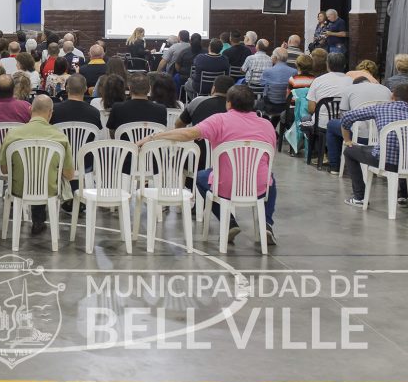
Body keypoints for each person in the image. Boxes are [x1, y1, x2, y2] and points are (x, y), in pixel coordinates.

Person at [142, 84, 277, 245]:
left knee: (200, 177)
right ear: (252, 104)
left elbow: (187, 133)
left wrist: (154, 137)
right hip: (258, 187)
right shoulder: (267, 124)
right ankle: (266, 224)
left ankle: (229, 223)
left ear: (228, 104)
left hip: (226, 185)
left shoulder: (219, 120)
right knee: (270, 178)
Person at [0, 95, 74, 236]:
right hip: (49, 189)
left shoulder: (12, 134)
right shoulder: (60, 137)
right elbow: (69, 175)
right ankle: (40, 220)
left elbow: (5, 169)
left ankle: (36, 219)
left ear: (30, 109)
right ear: (51, 112)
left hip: (19, 188)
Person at [341, 83, 408, 207]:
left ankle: (359, 197)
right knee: (404, 150)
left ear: (392, 96)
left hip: (384, 161)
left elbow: (347, 117)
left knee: (349, 152)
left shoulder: (381, 108)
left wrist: (347, 139)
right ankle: (404, 196)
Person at [324, 72, 392, 174]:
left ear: (355, 84)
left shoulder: (349, 90)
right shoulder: (385, 89)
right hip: (381, 137)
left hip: (359, 136)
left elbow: (344, 116)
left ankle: (334, 166)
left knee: (331, 124)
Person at [107, 72, 167, 137]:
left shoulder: (117, 108)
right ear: (149, 89)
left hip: (126, 146)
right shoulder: (161, 109)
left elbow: (112, 133)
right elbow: (162, 132)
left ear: (129, 89)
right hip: (151, 146)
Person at [307, 52, 352, 129]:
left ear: (327, 65)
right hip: (345, 125)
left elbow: (311, 109)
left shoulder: (318, 81)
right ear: (344, 65)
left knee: (305, 119)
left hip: (321, 124)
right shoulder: (352, 82)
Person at [258, 47, 295, 114]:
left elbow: (261, 83)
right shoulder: (294, 72)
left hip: (271, 103)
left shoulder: (268, 71)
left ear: (275, 57)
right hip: (286, 104)